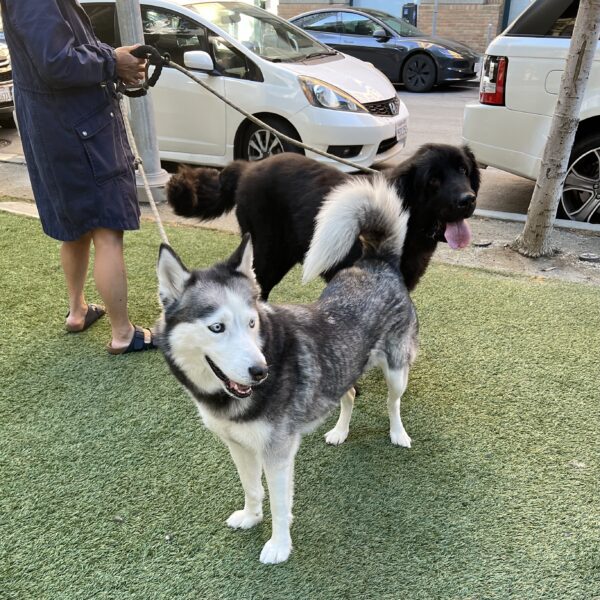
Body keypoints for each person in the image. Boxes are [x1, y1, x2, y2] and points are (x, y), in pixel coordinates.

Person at [0, 0, 156, 354]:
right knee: (106, 226)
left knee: (77, 225)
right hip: (76, 128)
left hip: (60, 127)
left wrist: (111, 57)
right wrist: (111, 61)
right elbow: (57, 62)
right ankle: (122, 333)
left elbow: (62, 53)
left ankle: (78, 311)